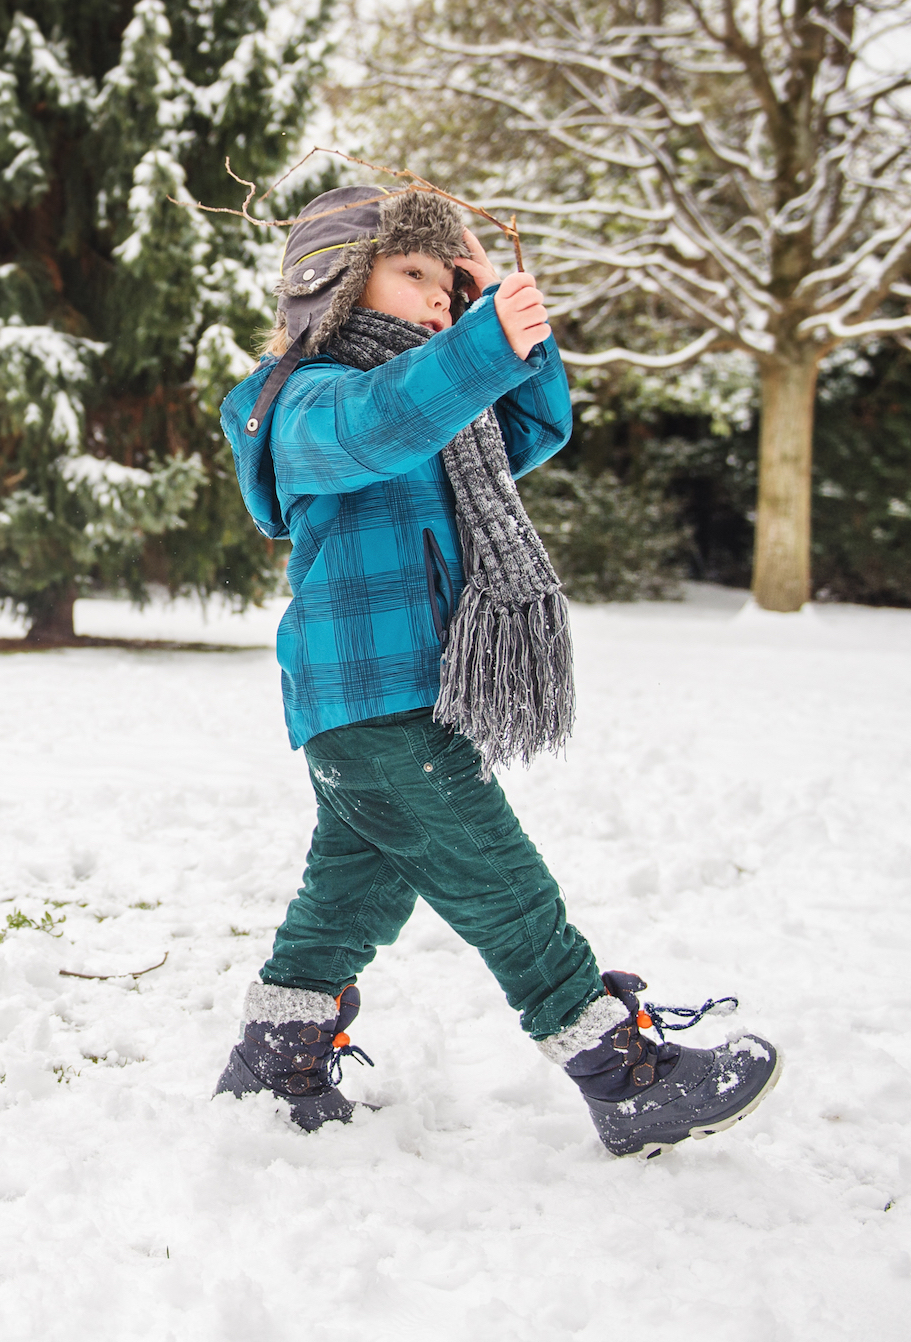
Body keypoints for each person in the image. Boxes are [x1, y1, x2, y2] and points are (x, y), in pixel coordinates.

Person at [210, 185, 781, 1157]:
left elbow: (527, 430)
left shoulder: (442, 409)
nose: (436, 297)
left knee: (357, 888)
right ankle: (622, 1075)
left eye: (448, 280)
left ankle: (277, 1054)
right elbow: (375, 426)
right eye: (414, 273)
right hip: (372, 690)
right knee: (501, 884)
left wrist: (497, 321)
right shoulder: (303, 398)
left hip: (406, 693)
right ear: (339, 284)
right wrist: (473, 347)